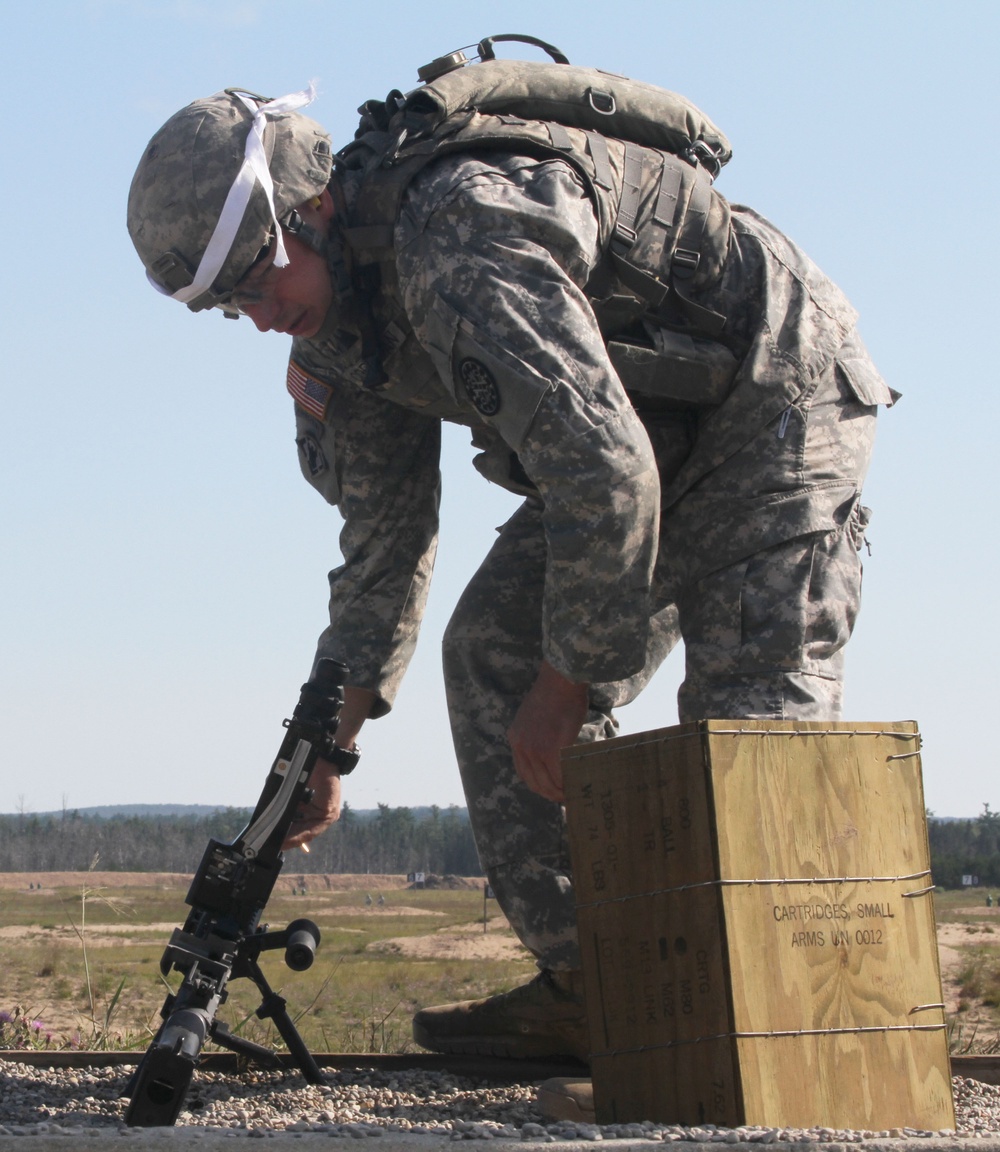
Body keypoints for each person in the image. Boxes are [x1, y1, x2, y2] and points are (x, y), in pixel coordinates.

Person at [127, 67, 896, 1066]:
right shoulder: (343, 331)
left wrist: (567, 683)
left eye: (255, 277)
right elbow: (383, 549)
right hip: (636, 440)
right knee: (493, 657)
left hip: (770, 401)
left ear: (310, 210)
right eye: (227, 305)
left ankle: (788, 1052)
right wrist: (331, 744)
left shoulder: (460, 240)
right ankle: (604, 989)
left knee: (751, 748)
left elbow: (603, 474)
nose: (258, 314)